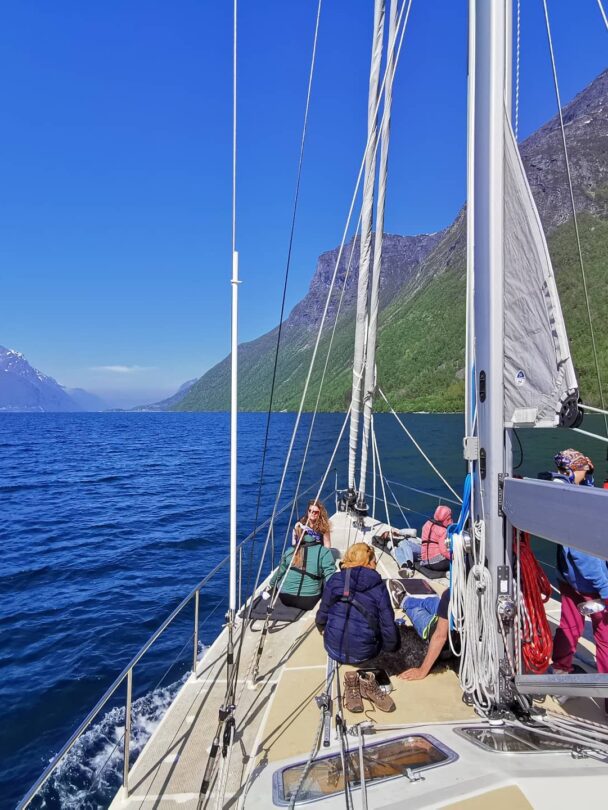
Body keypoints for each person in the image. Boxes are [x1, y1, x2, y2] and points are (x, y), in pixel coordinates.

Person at [551, 450, 608, 686]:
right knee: (605, 637)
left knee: (569, 625)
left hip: (568, 579)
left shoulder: (560, 497)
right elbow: (586, 558)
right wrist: (605, 589)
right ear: (575, 471)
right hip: (591, 586)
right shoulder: (583, 507)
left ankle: (561, 672)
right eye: (586, 470)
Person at [315, 543, 399, 664]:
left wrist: (321, 627)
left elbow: (323, 611)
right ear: (368, 563)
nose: (375, 564)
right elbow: (387, 624)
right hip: (364, 654)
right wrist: (390, 648)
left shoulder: (334, 579)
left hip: (332, 648)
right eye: (374, 561)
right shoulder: (378, 587)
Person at [266, 524, 336, 611]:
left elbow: (279, 573)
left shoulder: (290, 551)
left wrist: (270, 586)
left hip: (285, 598)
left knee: (282, 576)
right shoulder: (323, 552)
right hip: (309, 600)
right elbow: (330, 575)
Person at [396, 589, 452, 681]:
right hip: (447, 616)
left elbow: (440, 636)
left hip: (433, 626)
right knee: (435, 601)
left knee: (416, 611)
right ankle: (407, 599)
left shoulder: (451, 594)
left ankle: (403, 600)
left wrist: (422, 670)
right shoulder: (451, 594)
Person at [394, 505, 453, 574]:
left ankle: (405, 565)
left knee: (398, 548)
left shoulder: (426, 524)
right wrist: (454, 557)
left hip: (424, 560)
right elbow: (443, 551)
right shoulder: (443, 530)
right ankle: (408, 565)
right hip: (436, 563)